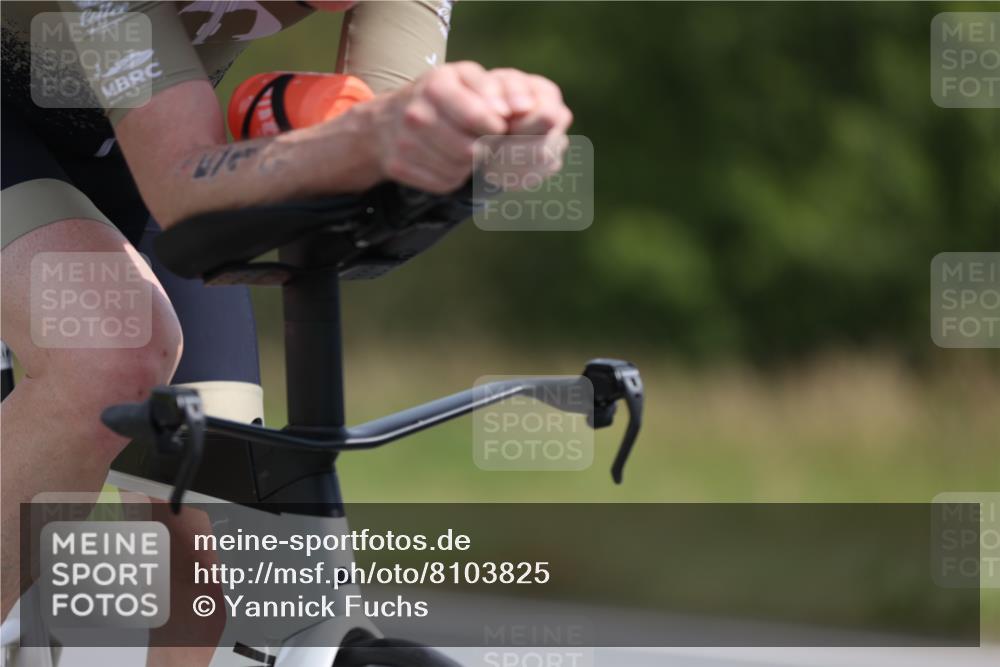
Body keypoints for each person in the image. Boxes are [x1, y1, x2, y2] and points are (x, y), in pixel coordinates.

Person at [0, 1, 572, 664]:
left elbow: (377, 160)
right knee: (110, 353)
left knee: (215, 525)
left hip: (139, 141)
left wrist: (479, 142)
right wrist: (358, 142)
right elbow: (183, 183)